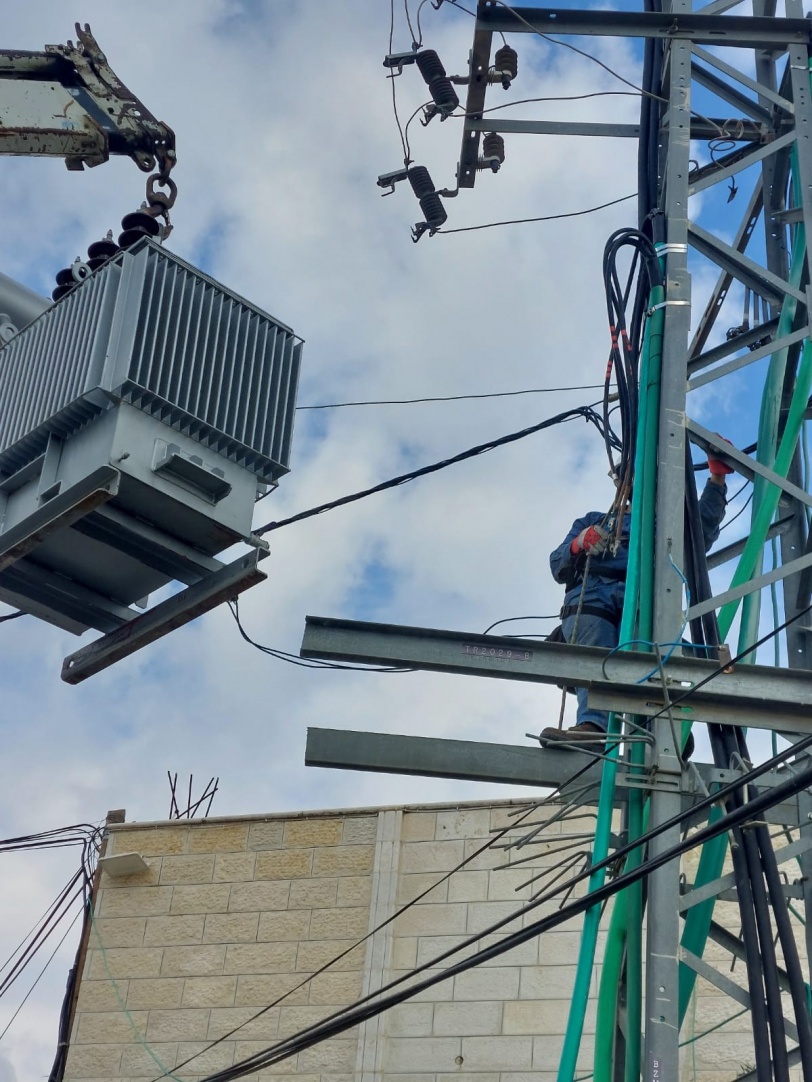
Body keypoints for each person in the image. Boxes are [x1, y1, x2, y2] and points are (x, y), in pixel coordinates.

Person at [540, 452, 732, 748]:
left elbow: (700, 529)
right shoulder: (594, 520)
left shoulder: (665, 524)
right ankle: (593, 725)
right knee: (596, 657)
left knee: (647, 657)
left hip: (645, 597)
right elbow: (558, 565)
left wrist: (716, 480)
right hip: (593, 598)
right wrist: (580, 544)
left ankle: (657, 728)